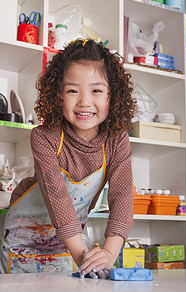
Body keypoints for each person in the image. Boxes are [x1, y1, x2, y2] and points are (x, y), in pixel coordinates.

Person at [0, 39, 136, 276]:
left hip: (69, 244)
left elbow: (122, 197)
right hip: (23, 240)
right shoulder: (45, 137)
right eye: (72, 90)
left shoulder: (117, 140)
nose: (84, 101)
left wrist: (108, 254)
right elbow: (58, 199)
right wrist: (84, 257)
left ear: (112, 96)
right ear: (57, 94)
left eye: (96, 90)